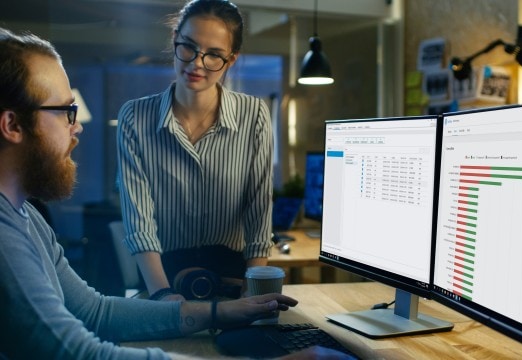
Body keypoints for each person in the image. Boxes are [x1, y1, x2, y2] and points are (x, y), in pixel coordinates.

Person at [0, 28, 352, 360]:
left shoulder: (26, 216)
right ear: (13, 125)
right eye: (66, 111)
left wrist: (219, 311)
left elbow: (95, 311)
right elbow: (75, 354)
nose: (76, 127)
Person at [117, 0, 273, 301]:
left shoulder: (254, 115)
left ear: (231, 59)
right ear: (175, 38)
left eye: (214, 54)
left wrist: (251, 292)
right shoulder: (135, 118)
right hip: (160, 274)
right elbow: (138, 219)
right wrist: (162, 294)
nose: (196, 63)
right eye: (188, 46)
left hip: (232, 274)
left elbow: (259, 214)